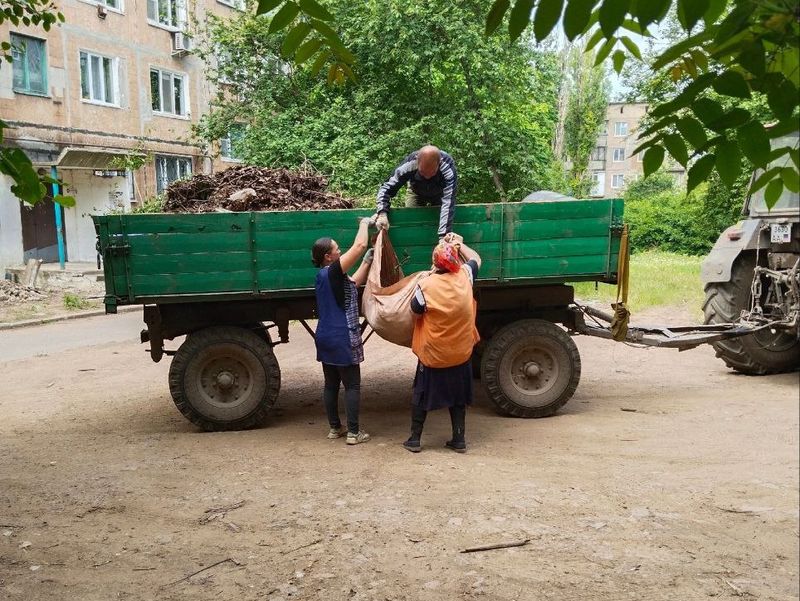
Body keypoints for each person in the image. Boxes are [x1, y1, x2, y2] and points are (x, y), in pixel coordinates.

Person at [403, 234, 481, 453]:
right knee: (458, 397)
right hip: (460, 353)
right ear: (456, 261)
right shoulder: (465, 276)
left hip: (434, 355)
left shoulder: (425, 285)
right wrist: (460, 243)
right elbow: (476, 258)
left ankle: (415, 439)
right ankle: (459, 440)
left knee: (421, 394)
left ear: (435, 262)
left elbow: (415, 312)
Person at [311, 217, 375, 445]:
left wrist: (367, 262)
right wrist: (364, 224)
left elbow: (352, 283)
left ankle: (334, 428)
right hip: (342, 337)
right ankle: (354, 433)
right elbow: (359, 246)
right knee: (352, 385)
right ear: (329, 256)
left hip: (325, 337)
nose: (340, 252)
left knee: (330, 384)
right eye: (338, 250)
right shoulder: (334, 271)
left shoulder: (323, 276)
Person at [373, 145, 457, 239]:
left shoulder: (447, 168)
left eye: (432, 173)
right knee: (412, 220)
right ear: (417, 161)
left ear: (439, 163)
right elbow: (386, 189)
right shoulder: (409, 164)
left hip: (440, 194)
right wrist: (382, 214)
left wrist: (443, 237)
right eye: (423, 173)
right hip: (416, 191)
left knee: (439, 220)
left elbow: (448, 202)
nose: (427, 177)